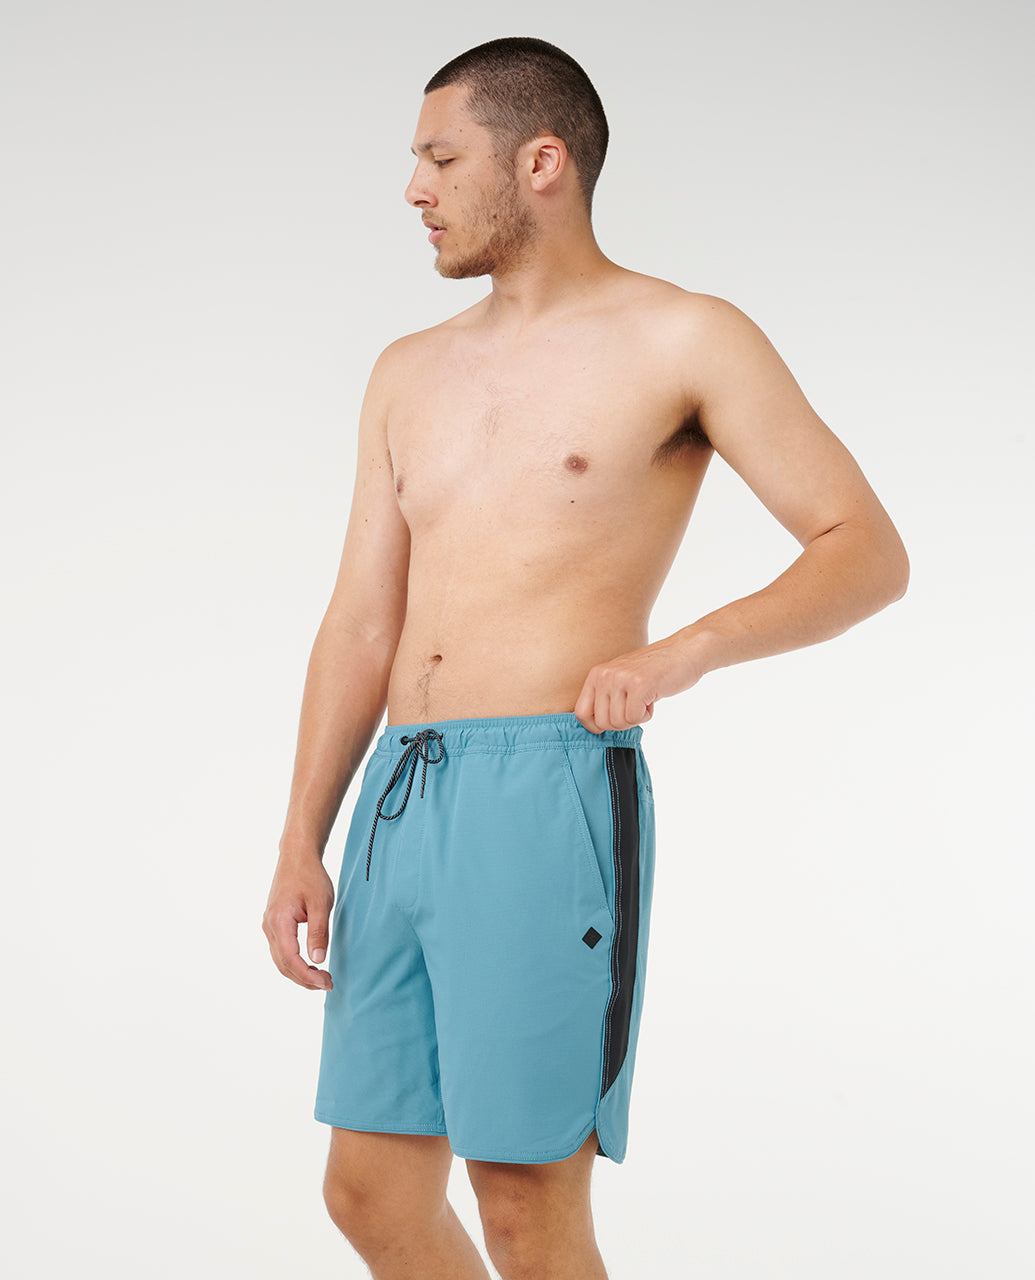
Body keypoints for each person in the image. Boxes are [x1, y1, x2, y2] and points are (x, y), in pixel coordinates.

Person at [262, 35, 908, 1280]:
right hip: (402, 793)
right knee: (370, 1189)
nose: (414, 188)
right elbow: (360, 622)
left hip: (548, 789)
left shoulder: (685, 337)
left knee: (523, 1203)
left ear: (541, 162)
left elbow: (865, 549)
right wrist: (302, 833)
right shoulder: (407, 371)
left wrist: (683, 652)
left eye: (442, 157)